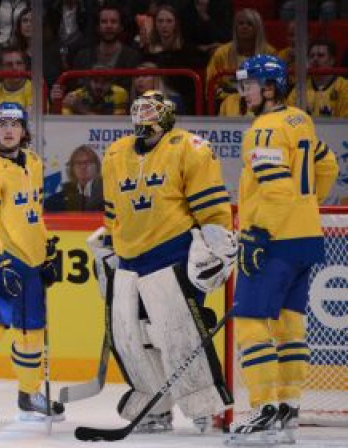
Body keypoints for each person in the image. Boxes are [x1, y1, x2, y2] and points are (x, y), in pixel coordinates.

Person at [90, 90, 236, 434]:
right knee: (134, 337)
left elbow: (211, 206)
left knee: (179, 333)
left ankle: (204, 406)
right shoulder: (115, 153)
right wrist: (109, 246)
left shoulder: (189, 147)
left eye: (151, 110)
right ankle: (155, 407)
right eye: (138, 109)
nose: (143, 116)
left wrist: (219, 244)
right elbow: (113, 212)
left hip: (173, 253)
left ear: (168, 115)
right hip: (129, 259)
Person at [226, 54, 338, 445]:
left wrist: (258, 232)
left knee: (252, 324)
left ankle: (263, 410)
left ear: (269, 88)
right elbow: (328, 167)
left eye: (250, 84)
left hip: (273, 241)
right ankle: (288, 410)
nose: (244, 91)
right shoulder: (299, 120)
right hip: (307, 238)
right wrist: (307, 206)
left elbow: (276, 189)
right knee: (290, 326)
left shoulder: (264, 131)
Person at [0, 102, 64, 431]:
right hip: (1, 262)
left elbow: (34, 213)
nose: (8, 130)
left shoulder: (35, 163)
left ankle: (29, 394)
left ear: (24, 130)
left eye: (15, 124)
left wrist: (47, 250)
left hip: (30, 262)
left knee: (31, 334)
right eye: (2, 124)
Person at [205, 8, 275, 108]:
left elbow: (274, 85)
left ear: (258, 28)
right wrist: (230, 97)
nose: (244, 27)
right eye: (240, 23)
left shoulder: (270, 53)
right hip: (228, 101)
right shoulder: (222, 53)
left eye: (249, 24)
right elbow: (211, 85)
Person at [286, 39, 348, 118]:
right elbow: (289, 117)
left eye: (320, 55)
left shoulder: (344, 87)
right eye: (312, 56)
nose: (315, 59)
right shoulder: (299, 89)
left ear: (332, 60)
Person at [44, 145, 104, 212]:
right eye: (78, 163)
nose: (83, 167)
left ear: (97, 166)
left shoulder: (108, 198)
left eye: (88, 162)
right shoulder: (56, 201)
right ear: (72, 169)